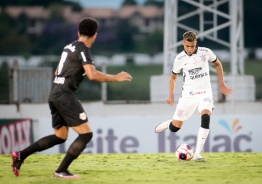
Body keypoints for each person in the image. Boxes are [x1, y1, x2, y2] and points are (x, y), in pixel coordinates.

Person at [11, 17, 133, 178]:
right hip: (64, 95)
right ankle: (61, 171)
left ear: (78, 32)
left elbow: (57, 72)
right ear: (95, 35)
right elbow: (92, 74)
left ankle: (21, 155)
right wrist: (116, 77)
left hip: (54, 93)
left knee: (60, 136)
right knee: (86, 134)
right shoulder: (83, 49)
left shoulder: (69, 47)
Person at [155, 31, 232, 160]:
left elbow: (218, 64)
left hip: (205, 93)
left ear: (196, 43)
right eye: (187, 46)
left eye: (192, 46)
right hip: (188, 95)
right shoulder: (179, 59)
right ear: (183, 44)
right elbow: (173, 77)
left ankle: (197, 154)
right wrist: (171, 95)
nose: (190, 49)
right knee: (175, 128)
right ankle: (169, 124)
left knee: (206, 116)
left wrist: (222, 84)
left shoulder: (205, 52)